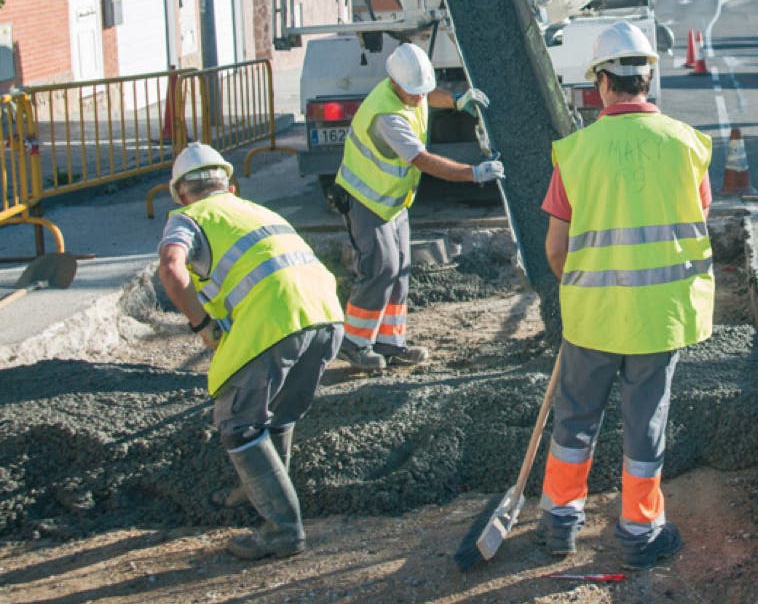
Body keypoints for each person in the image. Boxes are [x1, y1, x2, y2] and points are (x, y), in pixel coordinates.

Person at [534, 21, 715, 570]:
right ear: (648, 79)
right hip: (659, 319)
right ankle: (639, 531)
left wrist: (583, 287)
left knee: (575, 421)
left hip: (592, 317)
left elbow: (556, 247)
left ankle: (559, 524)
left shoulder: (577, 152)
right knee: (645, 424)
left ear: (602, 84)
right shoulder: (687, 145)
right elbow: (695, 219)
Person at [158, 143, 345, 561]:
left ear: (181, 194)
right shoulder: (257, 211)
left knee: (239, 424)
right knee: (277, 415)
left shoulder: (187, 218)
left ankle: (282, 529)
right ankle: (266, 488)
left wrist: (202, 325)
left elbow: (171, 268)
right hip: (326, 313)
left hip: (275, 321)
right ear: (229, 184)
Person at [333, 42, 504, 369]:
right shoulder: (387, 116)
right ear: (394, 83)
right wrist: (473, 173)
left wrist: (457, 100)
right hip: (366, 200)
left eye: (421, 91)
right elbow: (424, 161)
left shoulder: (411, 93)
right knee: (380, 269)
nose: (418, 98)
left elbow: (430, 95)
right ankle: (354, 343)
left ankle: (390, 343)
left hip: (392, 200)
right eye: (413, 92)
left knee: (399, 272)